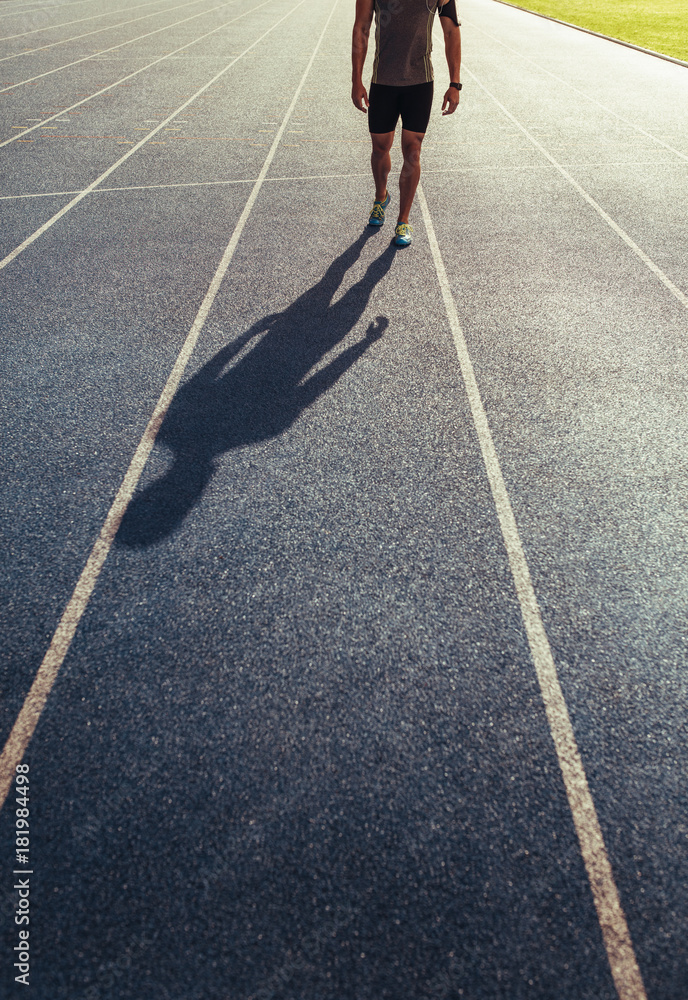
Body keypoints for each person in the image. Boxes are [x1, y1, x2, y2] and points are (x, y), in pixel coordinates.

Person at [351, 0, 461, 246]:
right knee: (380, 148)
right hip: (383, 81)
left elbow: (451, 30)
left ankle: (403, 220)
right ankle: (381, 197)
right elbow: (362, 28)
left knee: (413, 150)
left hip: (420, 82)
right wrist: (356, 80)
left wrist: (455, 83)